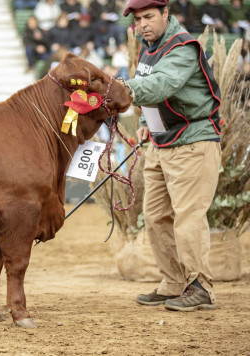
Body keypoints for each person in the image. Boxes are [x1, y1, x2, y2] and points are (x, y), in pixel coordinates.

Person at [122, 0, 222, 312]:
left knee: (188, 217)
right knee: (154, 216)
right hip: (162, 142)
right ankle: (175, 281)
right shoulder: (148, 46)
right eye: (138, 19)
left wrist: (122, 89)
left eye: (149, 17)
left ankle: (200, 285)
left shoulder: (182, 47)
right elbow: (153, 95)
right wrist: (142, 123)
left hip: (193, 140)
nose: (143, 25)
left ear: (167, 13)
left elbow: (162, 85)